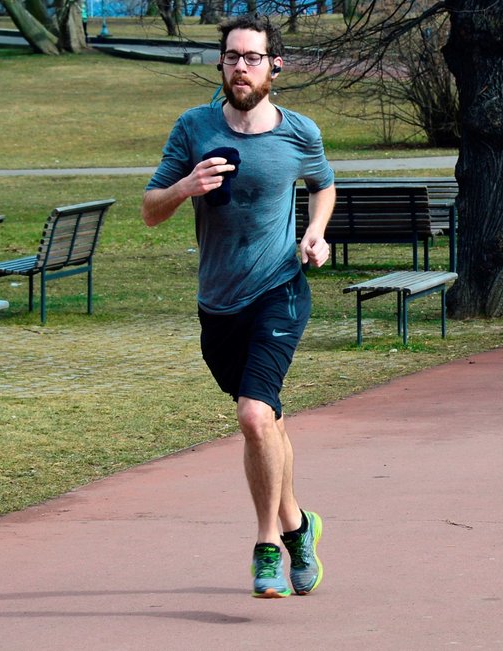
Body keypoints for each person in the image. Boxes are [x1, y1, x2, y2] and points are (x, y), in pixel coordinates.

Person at [141, 14, 336, 599]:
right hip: (218, 305)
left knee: (253, 415)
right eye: (232, 57)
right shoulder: (194, 129)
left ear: (275, 64)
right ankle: (301, 525)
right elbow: (150, 209)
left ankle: (266, 548)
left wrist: (315, 232)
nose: (241, 67)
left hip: (279, 290)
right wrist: (185, 187)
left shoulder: (299, 132)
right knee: (268, 421)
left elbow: (322, 183)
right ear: (220, 64)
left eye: (253, 58)